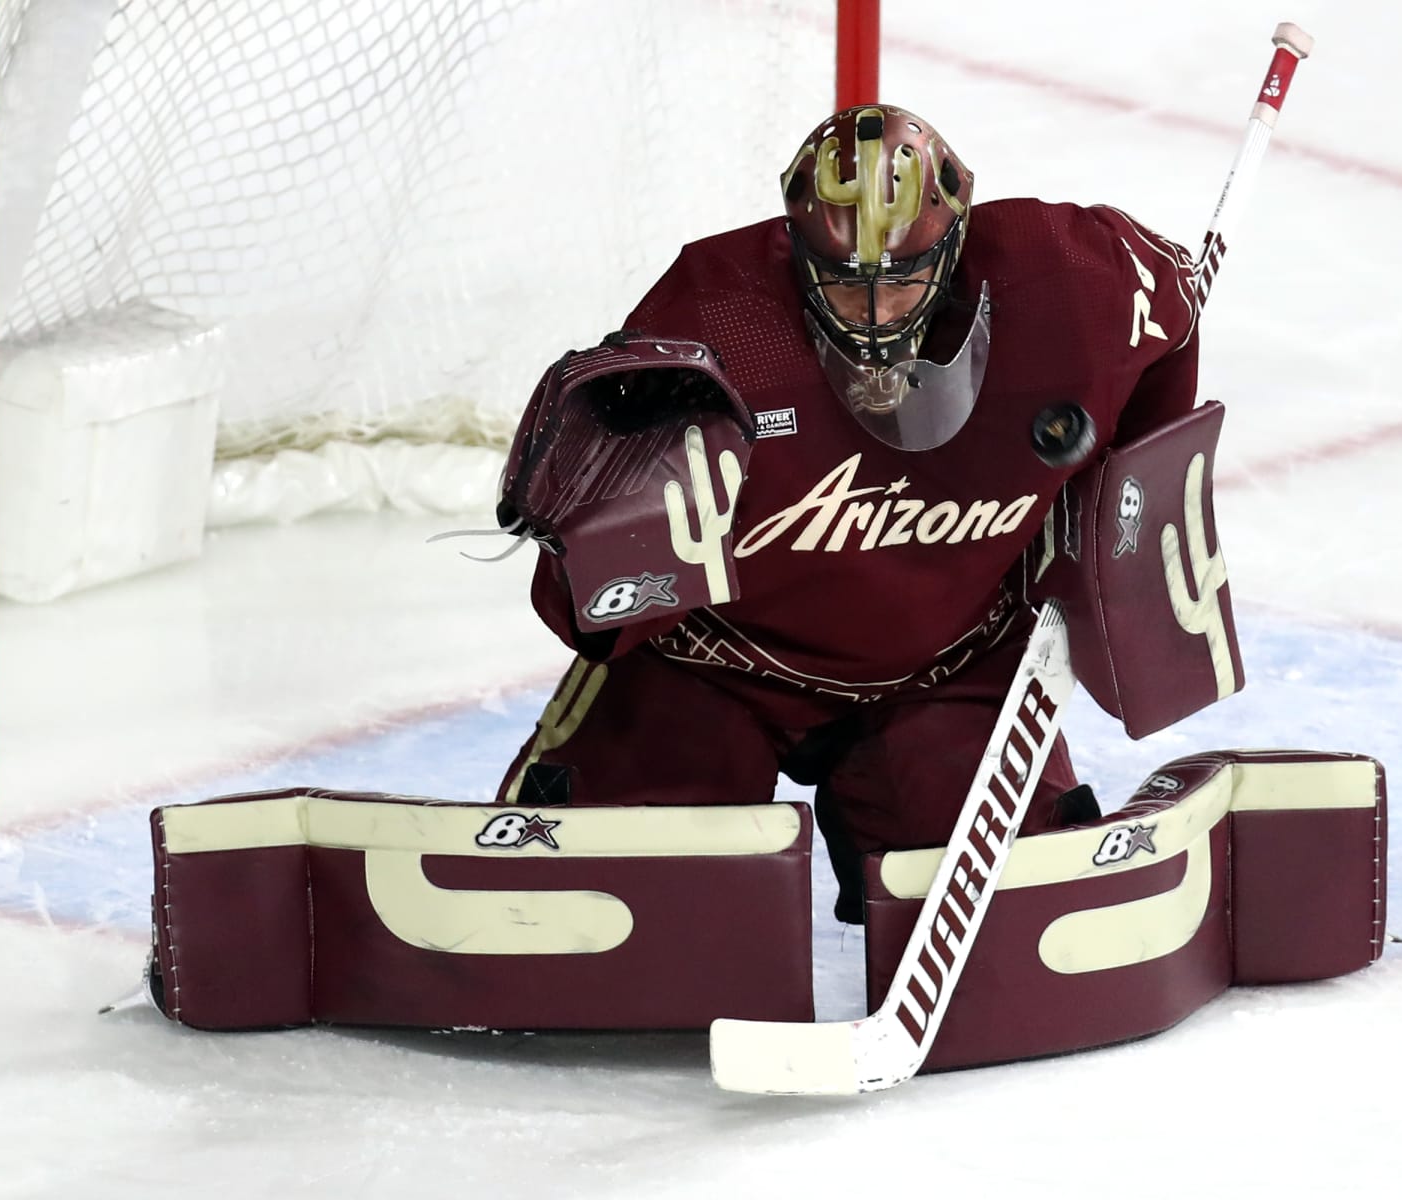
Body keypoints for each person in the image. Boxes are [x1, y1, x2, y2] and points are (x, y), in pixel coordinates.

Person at [496, 103, 1203, 921]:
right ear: (794, 249)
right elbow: (594, 613)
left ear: (956, 243)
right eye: (840, 281)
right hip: (715, 667)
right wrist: (596, 538)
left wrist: (1114, 496)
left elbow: (1177, 314)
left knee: (1016, 912)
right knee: (607, 899)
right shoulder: (714, 318)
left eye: (902, 280)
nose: (872, 313)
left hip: (948, 670)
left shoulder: (1071, 283)